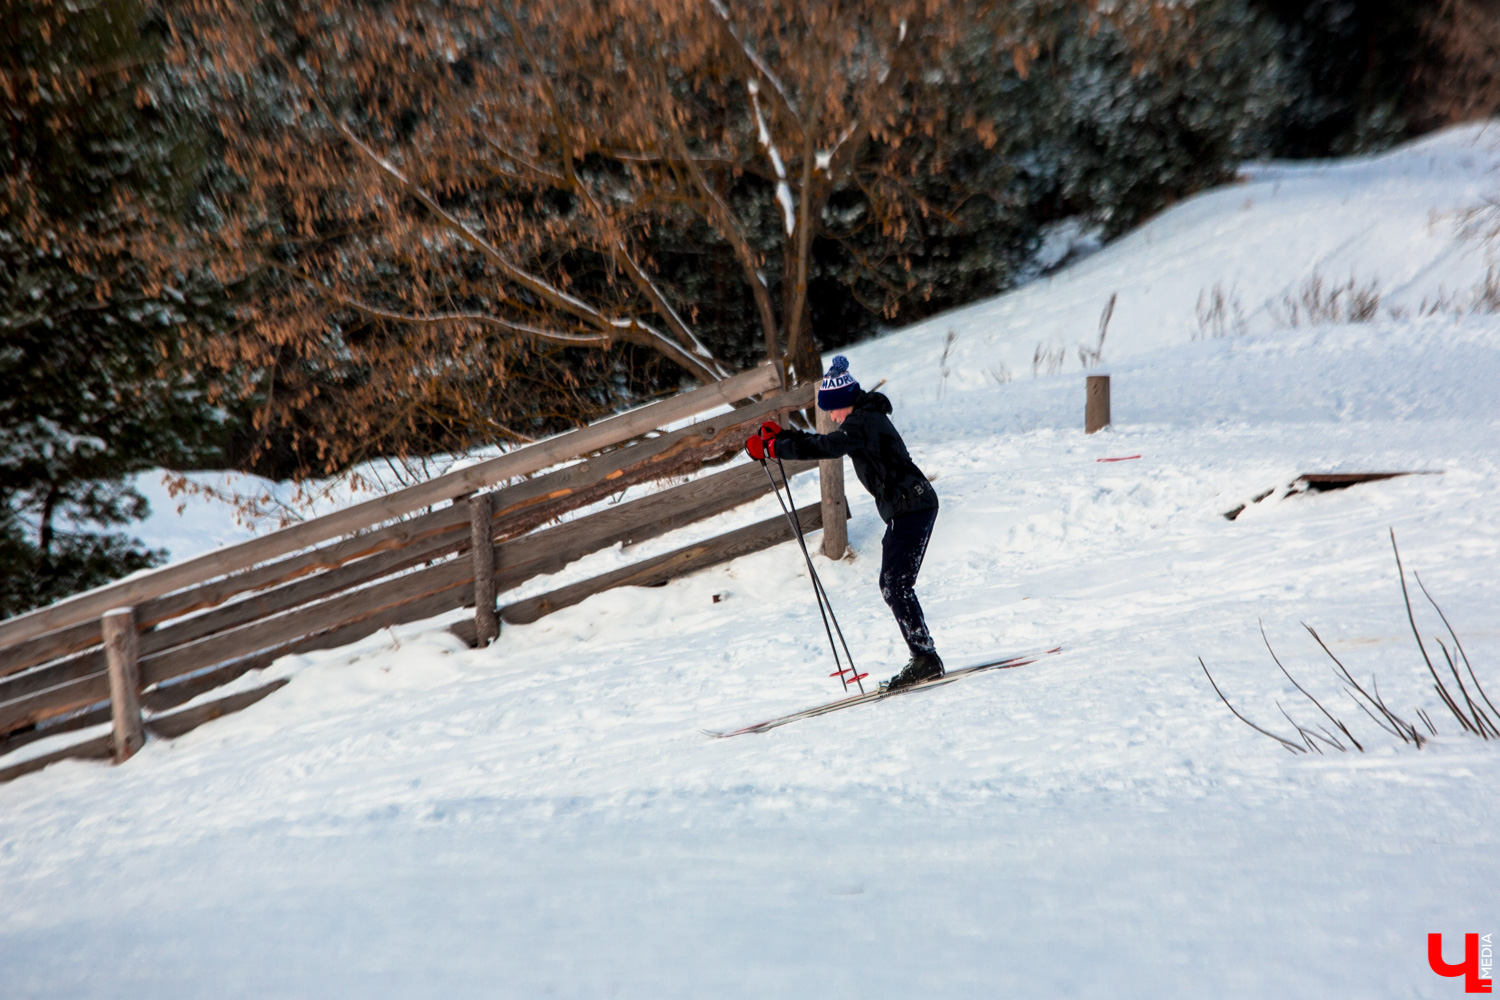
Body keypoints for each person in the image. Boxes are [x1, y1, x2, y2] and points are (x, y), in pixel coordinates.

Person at [745, 356, 942, 691]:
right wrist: (786, 436)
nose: (832, 417)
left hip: (913, 506)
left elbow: (828, 446)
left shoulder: (862, 422)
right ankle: (925, 657)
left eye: (832, 410)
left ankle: (926, 659)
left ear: (844, 402)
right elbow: (826, 441)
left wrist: (776, 447)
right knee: (893, 584)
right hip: (908, 507)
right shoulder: (863, 419)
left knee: (895, 585)